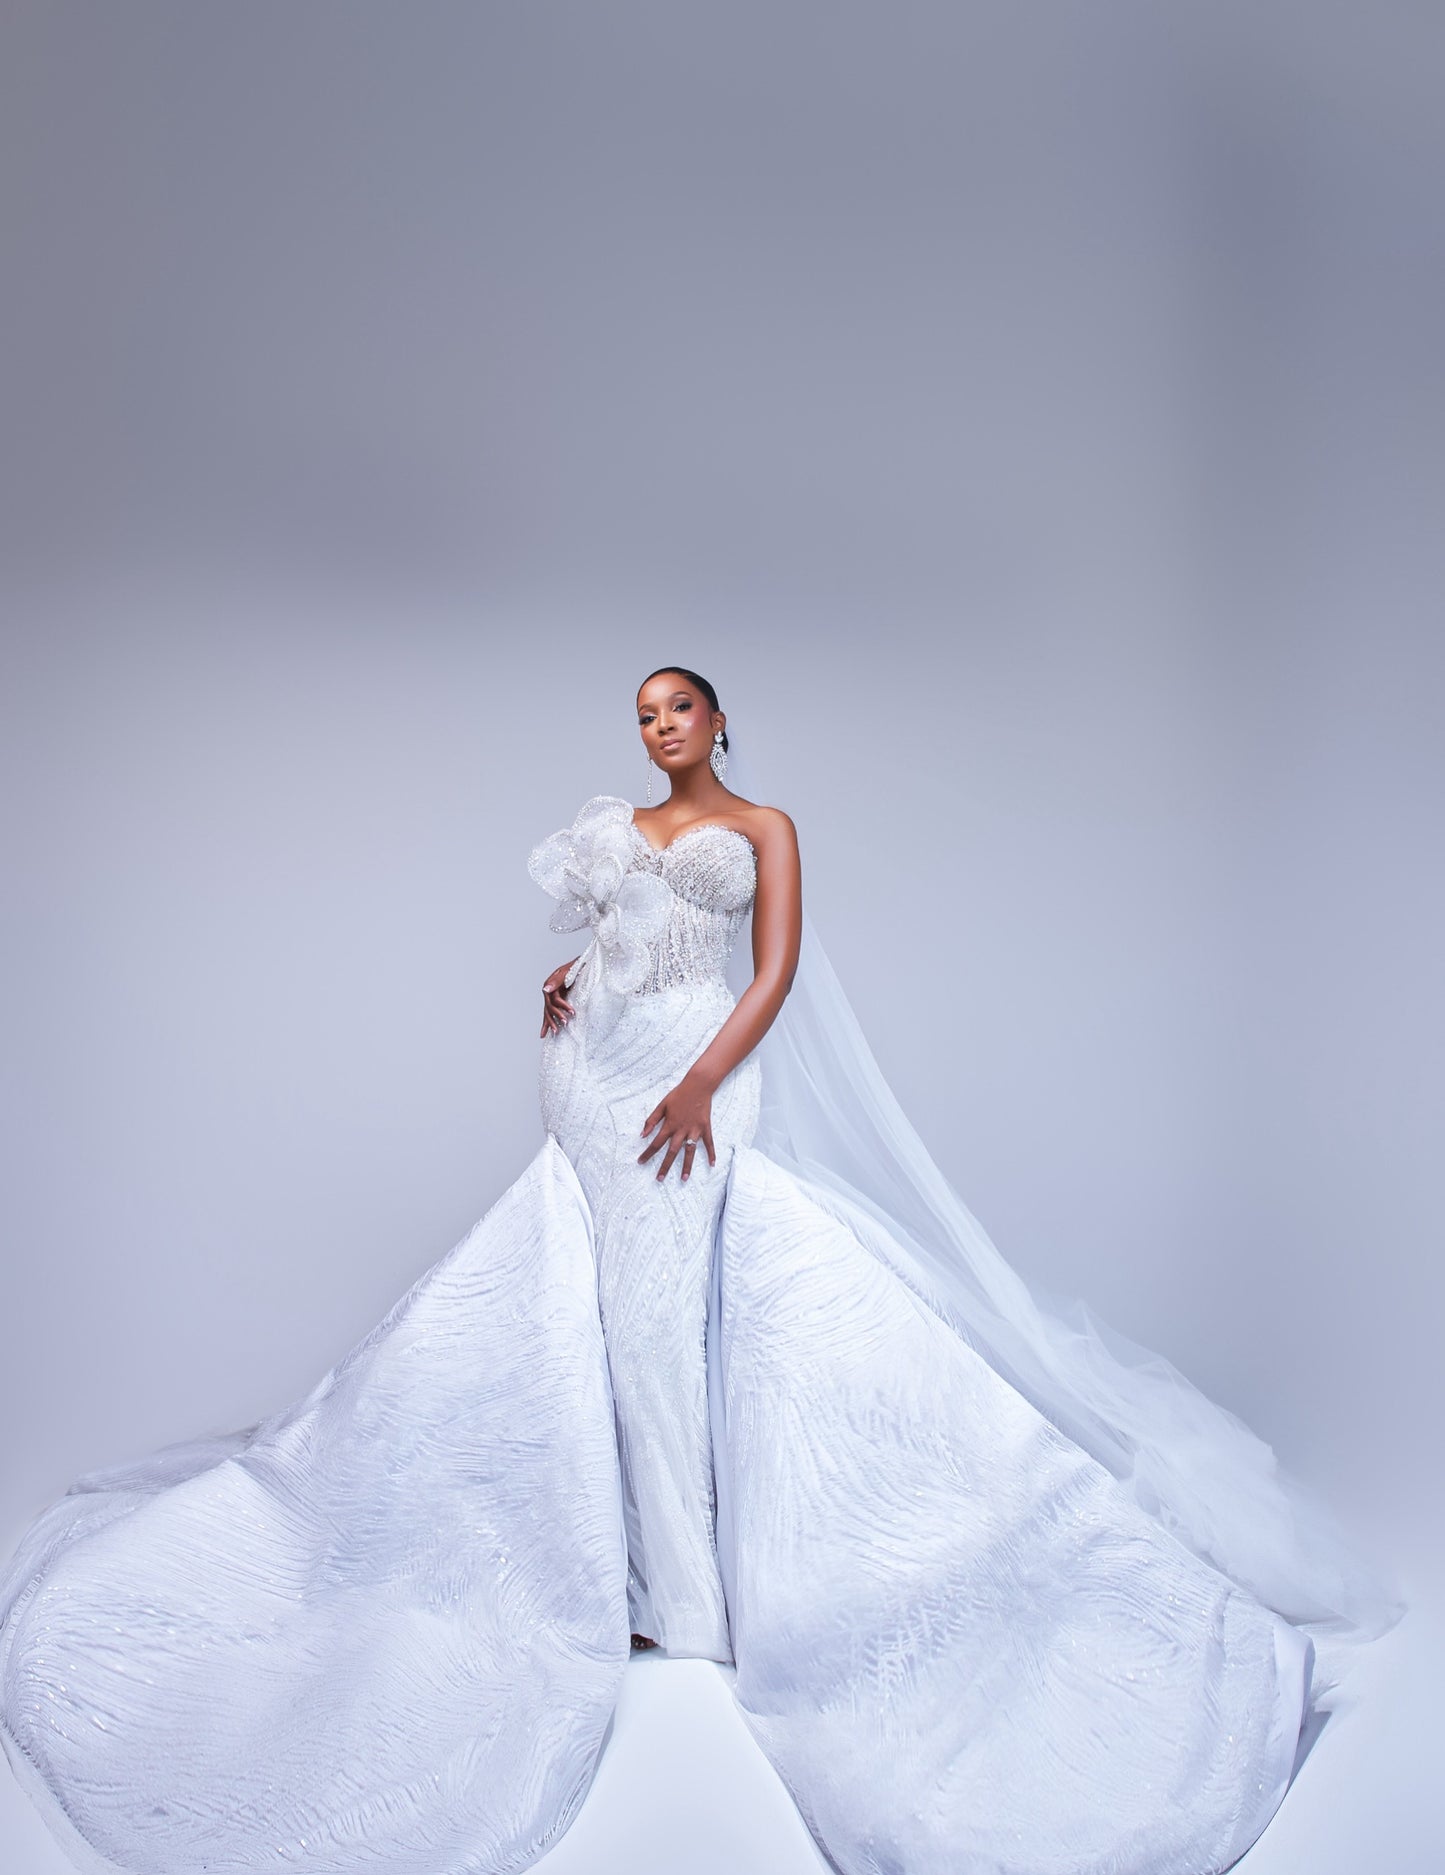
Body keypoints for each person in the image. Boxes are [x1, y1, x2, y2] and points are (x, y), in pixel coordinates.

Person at [0, 665, 1405, 1875]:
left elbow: (770, 971)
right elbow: (612, 942)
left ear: (720, 720)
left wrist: (698, 1082)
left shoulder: (762, 827)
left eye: (677, 708)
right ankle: (637, 1578)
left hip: (697, 1072)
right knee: (607, 1311)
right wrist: (570, 987)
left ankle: (697, 1591)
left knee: (683, 1309)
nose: (658, 727)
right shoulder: (616, 830)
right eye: (642, 714)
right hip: (594, 1077)